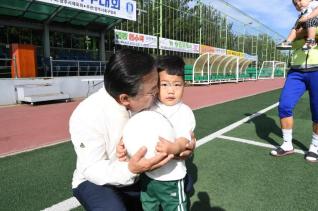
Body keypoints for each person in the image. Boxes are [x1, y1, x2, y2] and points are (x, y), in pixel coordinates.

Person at [69, 49, 195, 211]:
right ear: (125, 99)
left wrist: (186, 146)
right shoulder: (87, 114)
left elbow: (178, 128)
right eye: (152, 91)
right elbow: (92, 169)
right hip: (97, 179)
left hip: (140, 174)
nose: (158, 93)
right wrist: (131, 169)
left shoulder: (149, 101)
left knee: (185, 183)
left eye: (157, 85)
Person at [139, 55, 196, 211]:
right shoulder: (150, 106)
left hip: (171, 178)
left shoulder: (185, 112)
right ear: (156, 85)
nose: (171, 90)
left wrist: (173, 149)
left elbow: (184, 140)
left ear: (185, 85)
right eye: (164, 84)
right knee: (148, 207)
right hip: (148, 177)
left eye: (177, 85)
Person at [271, 22, 318, 162]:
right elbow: (290, 42)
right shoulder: (298, 24)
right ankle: (287, 144)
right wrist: (304, 32)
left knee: (317, 110)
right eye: (295, 2)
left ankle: (315, 146)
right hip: (296, 71)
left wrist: (302, 34)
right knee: (284, 105)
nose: (298, 3)